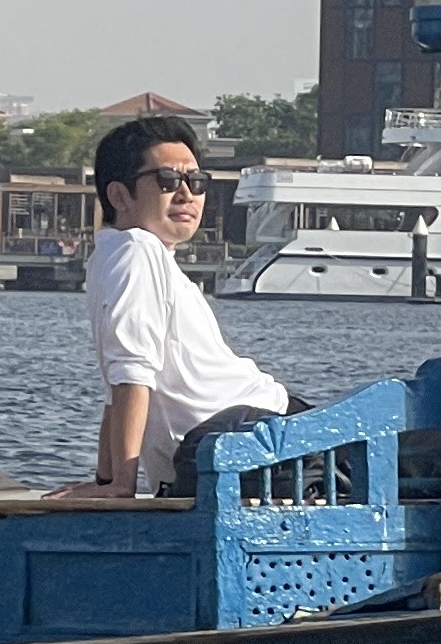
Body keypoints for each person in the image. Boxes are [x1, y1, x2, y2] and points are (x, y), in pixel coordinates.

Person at [85, 117, 289, 496]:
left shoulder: (113, 255)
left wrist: (108, 480)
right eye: (167, 180)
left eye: (196, 182)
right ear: (119, 196)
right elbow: (130, 373)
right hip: (246, 436)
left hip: (239, 435)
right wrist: (121, 486)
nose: (186, 195)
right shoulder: (137, 251)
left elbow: (119, 387)